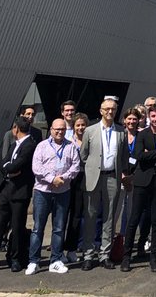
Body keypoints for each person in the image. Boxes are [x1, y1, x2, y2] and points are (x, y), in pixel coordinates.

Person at [25, 118, 80, 275]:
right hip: (43, 192)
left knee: (59, 228)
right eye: (57, 129)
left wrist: (62, 179)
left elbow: (75, 166)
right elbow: (36, 167)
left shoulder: (70, 146)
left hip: (63, 192)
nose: (59, 132)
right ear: (51, 129)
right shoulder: (42, 146)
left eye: (62, 129)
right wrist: (52, 179)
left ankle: (55, 260)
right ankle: (34, 261)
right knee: (38, 228)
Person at [0, 115, 36, 273]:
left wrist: (9, 168)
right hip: (6, 190)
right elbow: (4, 163)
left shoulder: (29, 145)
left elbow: (17, 165)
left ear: (16, 129)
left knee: (17, 226)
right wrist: (8, 169)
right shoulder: (14, 145)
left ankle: (15, 258)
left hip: (20, 192)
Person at [121, 107, 156, 273]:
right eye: (153, 116)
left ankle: (154, 258)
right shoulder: (142, 134)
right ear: (149, 118)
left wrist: (150, 153)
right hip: (142, 180)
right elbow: (138, 156)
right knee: (134, 218)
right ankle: (126, 257)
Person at [79, 99, 126, 270]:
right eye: (107, 109)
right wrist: (92, 168)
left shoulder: (121, 131)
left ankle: (105, 254)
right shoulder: (90, 131)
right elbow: (83, 155)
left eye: (113, 109)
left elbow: (124, 156)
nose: (110, 112)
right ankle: (88, 254)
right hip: (94, 178)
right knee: (90, 216)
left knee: (109, 217)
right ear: (101, 111)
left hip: (112, 177)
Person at [61, 113, 88, 264]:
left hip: (82, 179)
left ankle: (71, 249)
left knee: (76, 216)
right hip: (68, 180)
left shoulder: (89, 141)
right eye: (78, 125)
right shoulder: (68, 142)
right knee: (62, 215)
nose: (80, 128)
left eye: (83, 125)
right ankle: (59, 250)